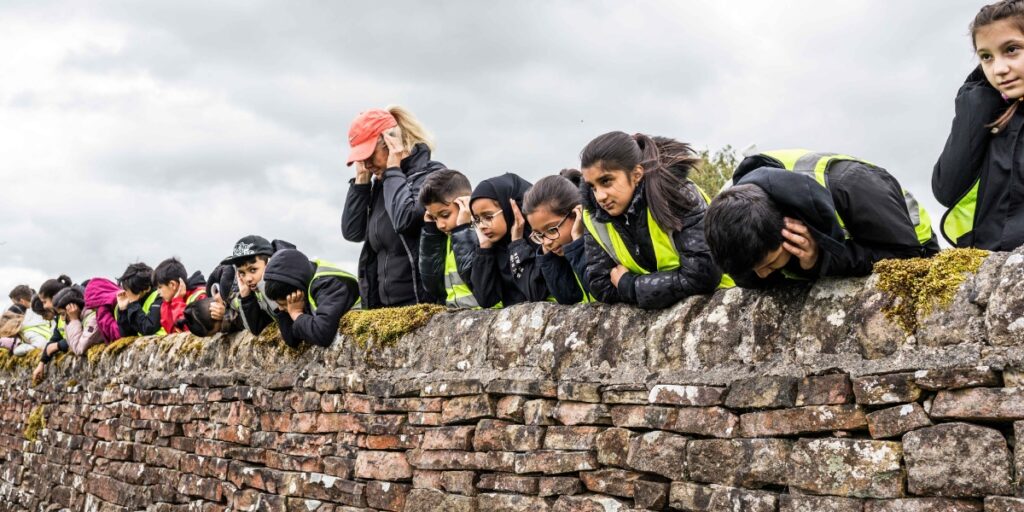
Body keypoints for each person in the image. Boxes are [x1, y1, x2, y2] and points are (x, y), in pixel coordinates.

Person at [706, 149, 940, 288]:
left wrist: (820, 260)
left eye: (770, 263)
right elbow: (748, 277)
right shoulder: (730, 216)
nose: (763, 274)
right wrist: (810, 266)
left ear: (790, 227)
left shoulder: (853, 185)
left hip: (911, 245)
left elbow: (905, 259)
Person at [580, 132, 728, 310]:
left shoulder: (678, 194)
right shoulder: (593, 217)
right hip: (656, 323)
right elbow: (600, 285)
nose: (600, 196)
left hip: (718, 307)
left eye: (606, 181)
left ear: (636, 174)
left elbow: (704, 274)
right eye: (593, 187)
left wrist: (631, 286)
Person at [933, 0, 1024, 250]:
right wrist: (976, 102)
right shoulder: (991, 116)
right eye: (986, 57)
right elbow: (946, 191)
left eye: (1012, 49)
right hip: (989, 272)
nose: (999, 69)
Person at [341, 106, 446, 308]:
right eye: (361, 158)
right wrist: (361, 182)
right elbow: (353, 232)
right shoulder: (383, 185)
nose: (366, 163)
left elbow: (405, 219)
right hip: (386, 311)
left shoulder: (431, 175)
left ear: (392, 143)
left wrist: (393, 170)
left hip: (422, 308)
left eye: (370, 155)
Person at [469, 173, 546, 308]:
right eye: (477, 219)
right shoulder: (492, 243)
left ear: (509, 208)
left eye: (488, 216)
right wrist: (484, 248)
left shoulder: (539, 235)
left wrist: (517, 243)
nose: (481, 225)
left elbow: (535, 292)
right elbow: (485, 299)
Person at [521, 170, 594, 304]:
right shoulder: (560, 251)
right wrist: (549, 259)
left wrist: (577, 239)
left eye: (552, 229)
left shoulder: (600, 243)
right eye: (539, 234)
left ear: (576, 214)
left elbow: (598, 290)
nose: (547, 242)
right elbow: (566, 298)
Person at [262, 249, 359, 348]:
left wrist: (296, 313)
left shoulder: (330, 285)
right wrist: (287, 313)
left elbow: (323, 335)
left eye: (283, 304)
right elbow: (292, 340)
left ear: (298, 293)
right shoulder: (303, 283)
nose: (281, 308)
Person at [418, 169, 481, 308]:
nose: (440, 225)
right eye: (434, 218)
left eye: (445, 215)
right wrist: (430, 234)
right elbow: (433, 287)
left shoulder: (485, 234)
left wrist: (463, 229)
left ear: (465, 204)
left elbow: (479, 284)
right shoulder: (448, 237)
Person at [217, 235, 296, 335]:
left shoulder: (288, 279)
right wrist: (246, 297)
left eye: (253, 270)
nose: (248, 279)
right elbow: (256, 328)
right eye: (242, 273)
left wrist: (265, 285)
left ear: (270, 262)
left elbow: (290, 331)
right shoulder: (257, 288)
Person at [152, 258, 207, 334]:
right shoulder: (170, 301)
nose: (158, 292)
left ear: (173, 285)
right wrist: (169, 303)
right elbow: (172, 330)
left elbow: (189, 330)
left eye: (160, 287)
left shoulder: (200, 296)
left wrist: (178, 301)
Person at [115, 263, 165, 337]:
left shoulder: (160, 296)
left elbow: (148, 328)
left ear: (147, 289)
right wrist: (123, 310)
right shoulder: (133, 300)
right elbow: (127, 335)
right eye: (125, 288)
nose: (128, 293)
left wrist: (134, 304)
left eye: (132, 289)